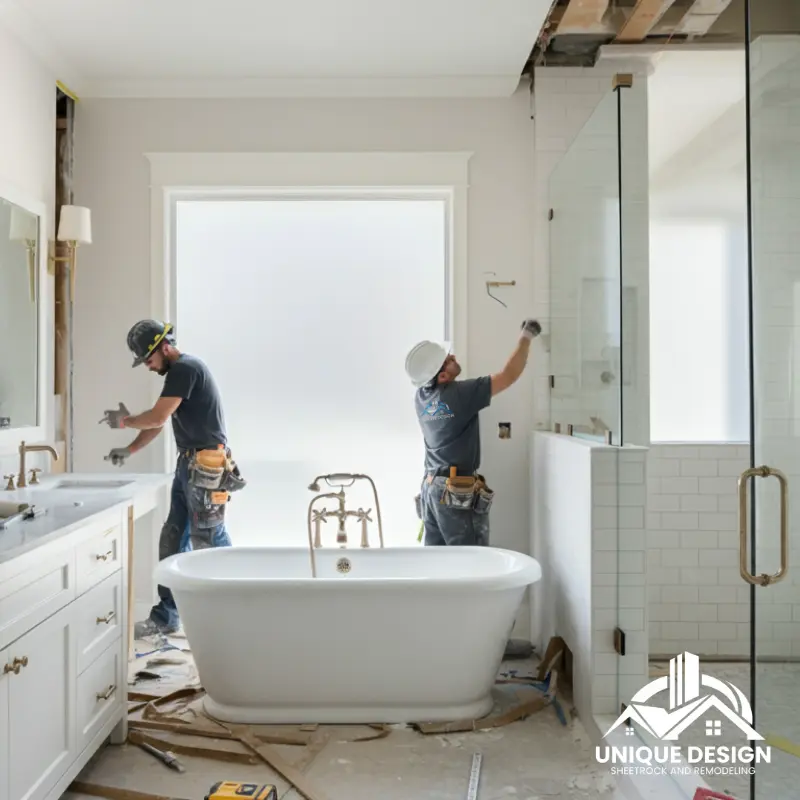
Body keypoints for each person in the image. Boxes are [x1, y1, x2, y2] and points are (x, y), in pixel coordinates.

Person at [100, 319, 245, 638]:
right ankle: (167, 616)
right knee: (174, 536)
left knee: (208, 540)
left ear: (163, 347)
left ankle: (235, 609)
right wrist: (130, 449)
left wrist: (124, 421)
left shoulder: (185, 369)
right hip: (190, 465)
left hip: (206, 465)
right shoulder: (179, 373)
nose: (148, 367)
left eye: (148, 360)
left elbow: (156, 416)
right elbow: (159, 421)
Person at [405, 319, 541, 548]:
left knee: (436, 564)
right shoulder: (459, 395)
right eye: (448, 360)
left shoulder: (421, 399)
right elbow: (508, 375)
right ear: (442, 377)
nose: (454, 358)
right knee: (472, 564)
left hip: (430, 490)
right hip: (452, 494)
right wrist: (526, 336)